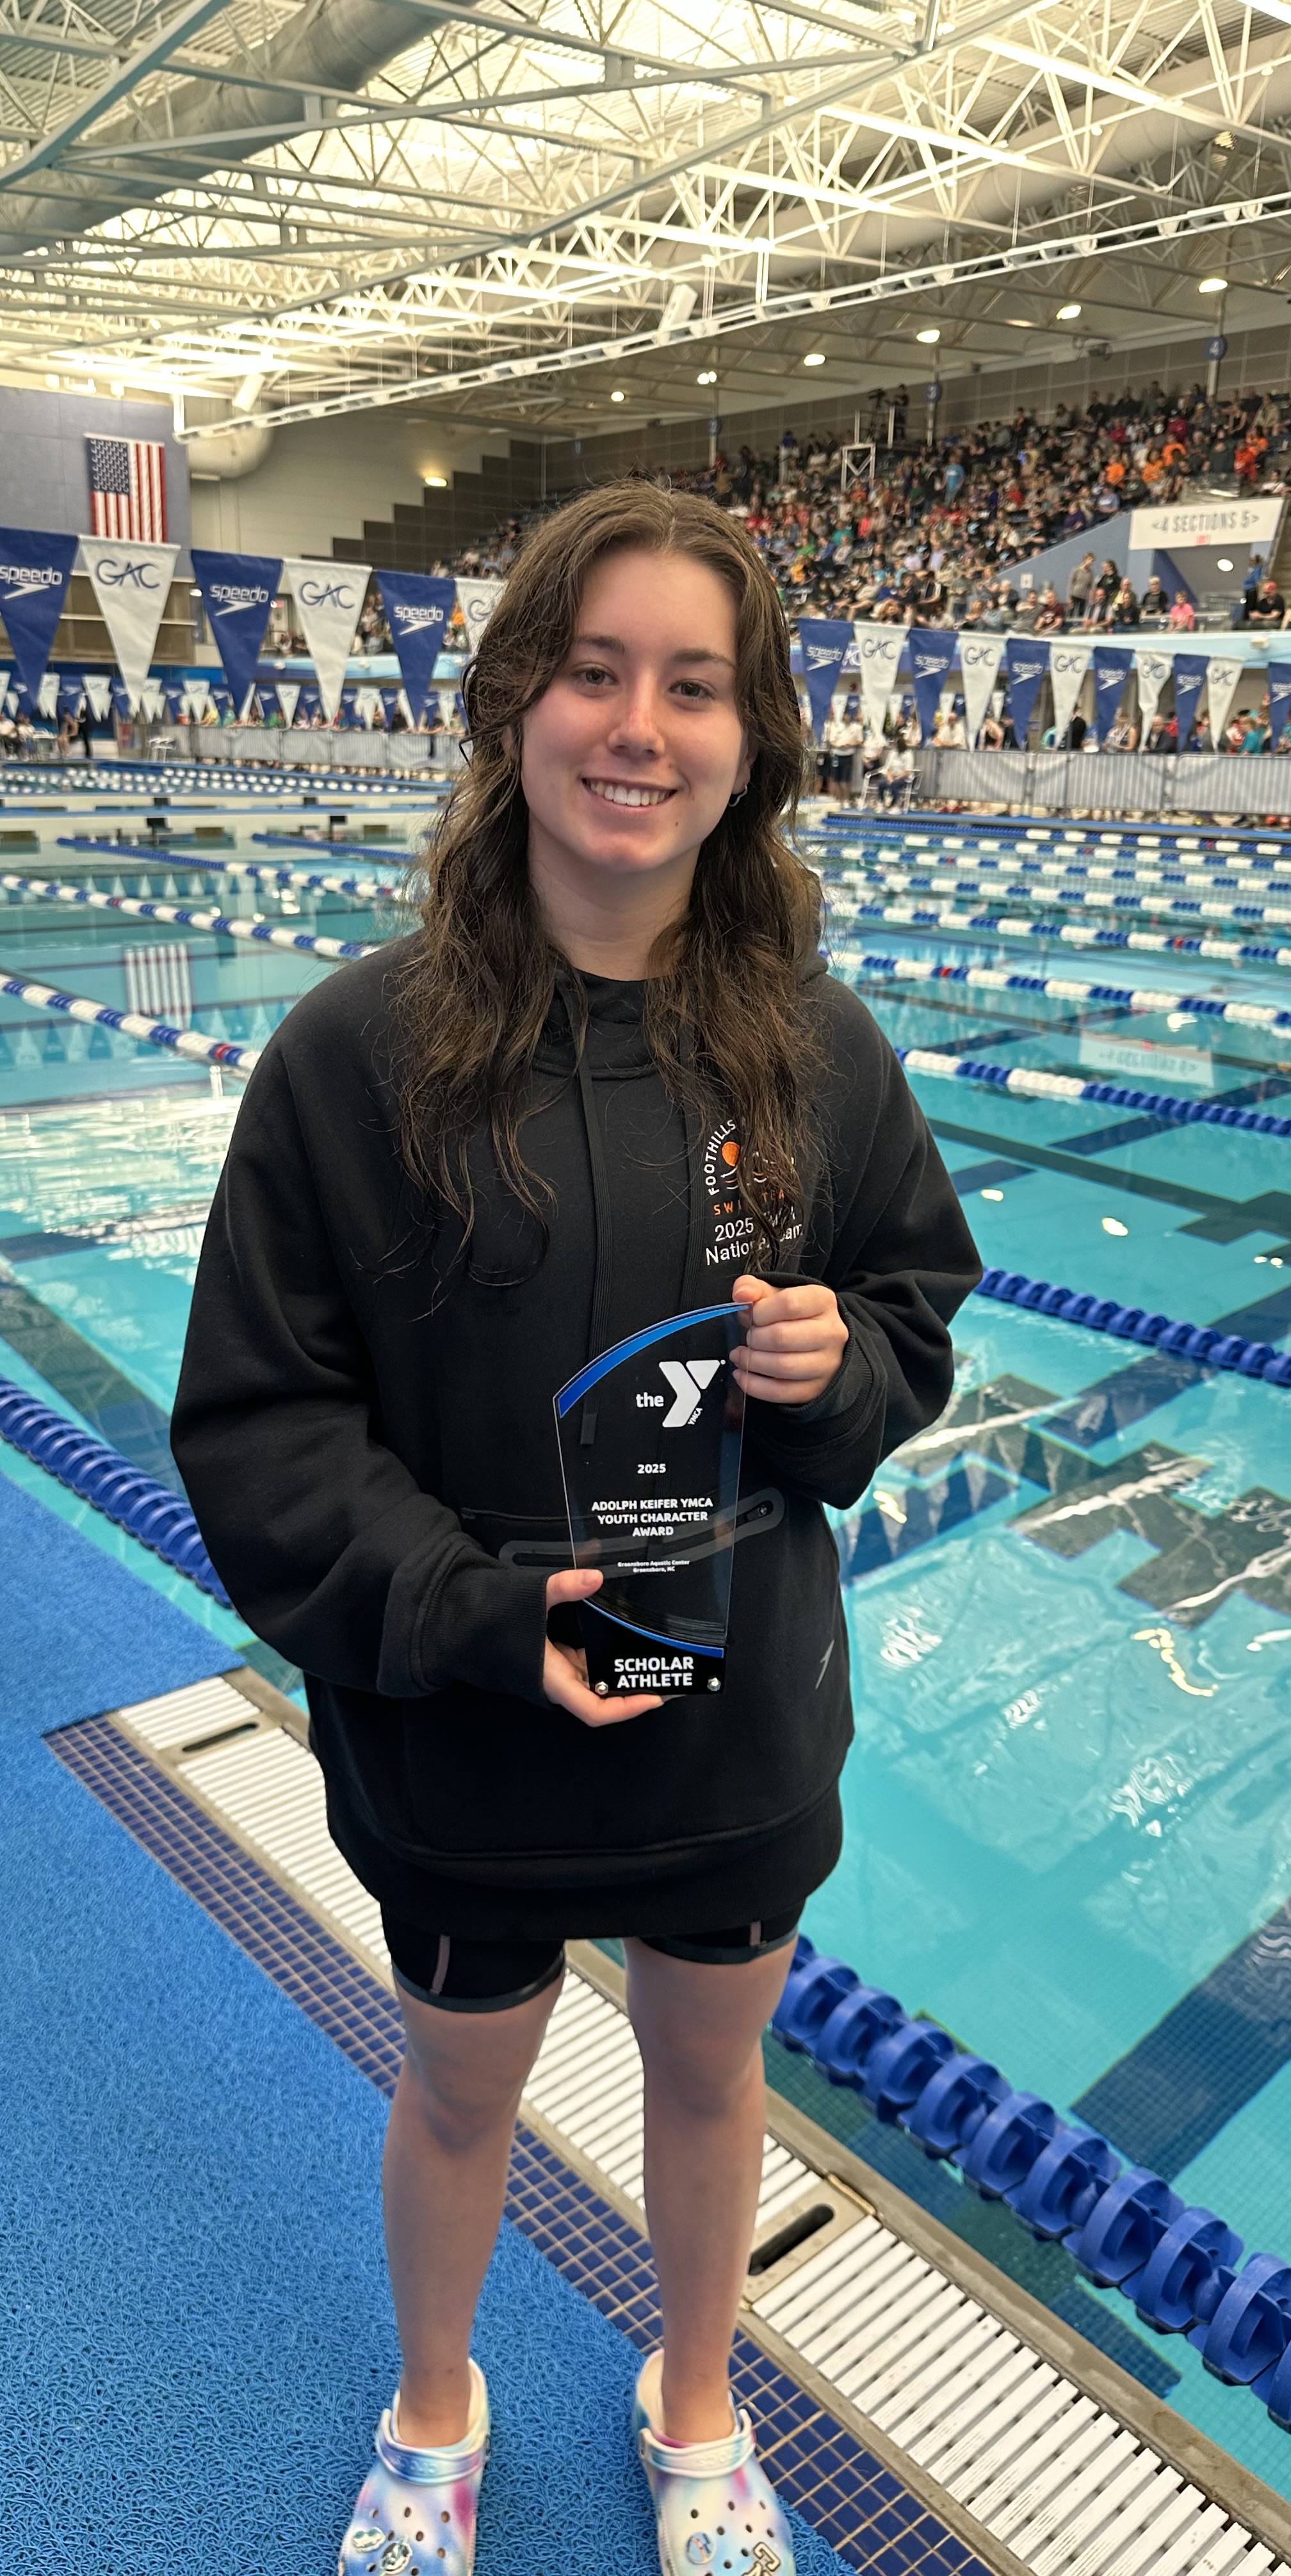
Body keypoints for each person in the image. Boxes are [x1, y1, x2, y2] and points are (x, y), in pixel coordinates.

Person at [170, 484, 981, 2576]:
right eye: (593, 671)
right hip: (467, 1723)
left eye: (691, 685)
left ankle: (694, 2408)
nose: (638, 726)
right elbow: (261, 1420)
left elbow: (916, 1311)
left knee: (716, 2092)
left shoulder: (812, 1053)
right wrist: (458, 1606)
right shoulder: (354, 1058)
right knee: (457, 2095)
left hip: (732, 1728)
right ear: (515, 705)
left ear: (752, 738)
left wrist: (844, 1377)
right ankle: (432, 2409)